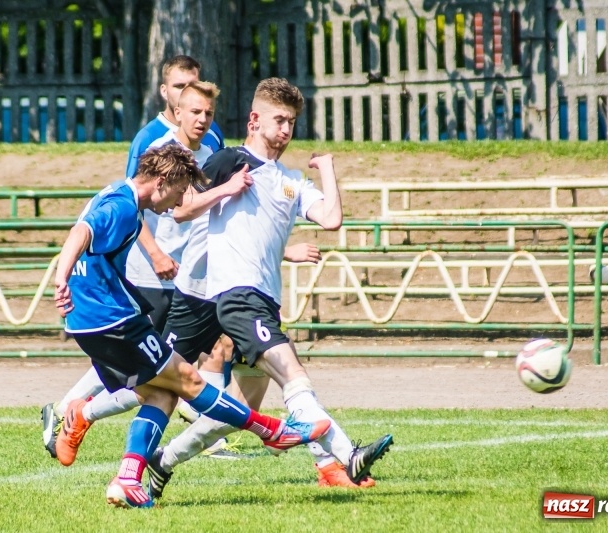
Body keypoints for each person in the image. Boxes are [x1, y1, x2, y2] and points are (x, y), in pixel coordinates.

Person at [145, 78, 393, 499]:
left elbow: (331, 219)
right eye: (279, 119)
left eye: (292, 122)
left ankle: (162, 462)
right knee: (293, 374)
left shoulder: (290, 180)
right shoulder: (230, 160)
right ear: (255, 119)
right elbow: (182, 209)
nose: (286, 129)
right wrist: (226, 188)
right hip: (236, 298)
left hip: (265, 300)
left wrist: (328, 168)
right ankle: (342, 455)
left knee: (240, 410)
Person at [52, 142, 330, 509]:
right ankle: (271, 430)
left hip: (93, 319)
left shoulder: (115, 192)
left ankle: (127, 478)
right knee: (189, 380)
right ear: (164, 181)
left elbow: (82, 228)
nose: (177, 203)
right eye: (181, 190)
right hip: (110, 318)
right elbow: (81, 232)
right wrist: (61, 279)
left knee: (160, 393)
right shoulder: (124, 207)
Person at [41, 56, 227, 459]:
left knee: (171, 363)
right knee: (154, 368)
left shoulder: (213, 141)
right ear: (170, 98)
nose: (194, 106)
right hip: (152, 273)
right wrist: (156, 251)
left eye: (198, 94)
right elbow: (133, 199)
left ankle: (208, 430)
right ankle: (69, 411)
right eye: (181, 90)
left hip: (192, 270)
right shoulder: (153, 142)